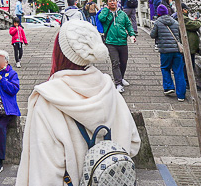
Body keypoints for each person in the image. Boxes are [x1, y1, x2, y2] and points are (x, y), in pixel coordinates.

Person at [16, 20, 141, 186]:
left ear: (60, 53)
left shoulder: (48, 100)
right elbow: (133, 144)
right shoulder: (109, 89)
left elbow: (45, 174)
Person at [97, 0, 136, 93]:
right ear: (107, 3)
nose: (112, 3)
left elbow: (128, 25)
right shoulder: (105, 14)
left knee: (123, 62)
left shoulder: (122, 14)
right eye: (110, 1)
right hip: (111, 42)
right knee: (115, 63)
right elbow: (101, 19)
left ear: (116, 2)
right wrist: (106, 10)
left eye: (113, 1)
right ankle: (118, 83)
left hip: (122, 41)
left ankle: (121, 77)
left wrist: (132, 35)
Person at [150, 5, 187, 101]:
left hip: (165, 51)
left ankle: (169, 87)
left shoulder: (158, 22)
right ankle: (181, 95)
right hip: (176, 50)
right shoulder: (175, 22)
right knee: (178, 71)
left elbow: (152, 35)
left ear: (158, 13)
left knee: (165, 68)